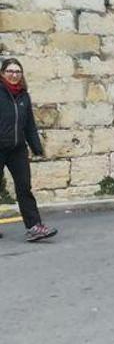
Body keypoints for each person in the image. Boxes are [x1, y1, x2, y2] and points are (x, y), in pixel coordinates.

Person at [0, 58, 57, 242]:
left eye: (18, 71)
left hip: (18, 149)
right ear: (3, 73)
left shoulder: (24, 95)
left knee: (24, 187)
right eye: (10, 71)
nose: (14, 75)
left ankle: (34, 227)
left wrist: (37, 148)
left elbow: (30, 125)